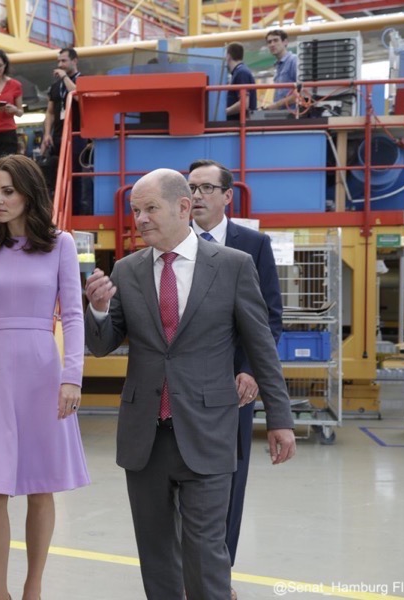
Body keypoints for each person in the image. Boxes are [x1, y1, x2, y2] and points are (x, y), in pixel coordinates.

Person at [83, 168, 296, 599]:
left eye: (150, 209)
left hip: (208, 430)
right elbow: (103, 345)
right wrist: (100, 309)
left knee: (205, 553)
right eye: (135, 211)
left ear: (183, 207)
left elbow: (261, 347)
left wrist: (280, 419)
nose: (140, 219)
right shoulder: (126, 270)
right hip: (146, 435)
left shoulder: (234, 266)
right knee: (157, 555)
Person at [0, 155, 89, 600]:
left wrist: (73, 377)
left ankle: (33, 586)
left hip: (44, 371)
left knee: (40, 486)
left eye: (8, 191)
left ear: (29, 193)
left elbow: (75, 313)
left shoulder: (61, 244)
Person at [187, 159, 283, 599]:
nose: (199, 195)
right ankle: (185, 576)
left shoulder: (253, 245)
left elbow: (267, 319)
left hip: (233, 390)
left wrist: (249, 370)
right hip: (183, 387)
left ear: (228, 196)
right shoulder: (173, 241)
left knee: (230, 483)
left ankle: (218, 577)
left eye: (208, 188)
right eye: (192, 188)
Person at [40, 47, 91, 214]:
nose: (60, 64)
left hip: (77, 136)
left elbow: (78, 96)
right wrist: (46, 134)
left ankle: (76, 211)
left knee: (75, 174)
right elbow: (49, 112)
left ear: (74, 61)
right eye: (59, 61)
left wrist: (64, 78)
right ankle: (58, 209)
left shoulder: (82, 80)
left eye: (64, 61)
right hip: (58, 136)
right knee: (56, 174)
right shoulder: (55, 86)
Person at [262, 29, 298, 111]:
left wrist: (276, 105)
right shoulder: (278, 66)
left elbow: (301, 92)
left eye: (276, 40)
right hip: (283, 113)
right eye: (269, 42)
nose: (272, 44)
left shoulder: (293, 61)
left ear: (285, 42)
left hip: (293, 114)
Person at [224, 43, 257, 120]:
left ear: (228, 56)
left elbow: (244, 103)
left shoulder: (241, 73)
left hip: (239, 123)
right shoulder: (239, 72)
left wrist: (224, 112)